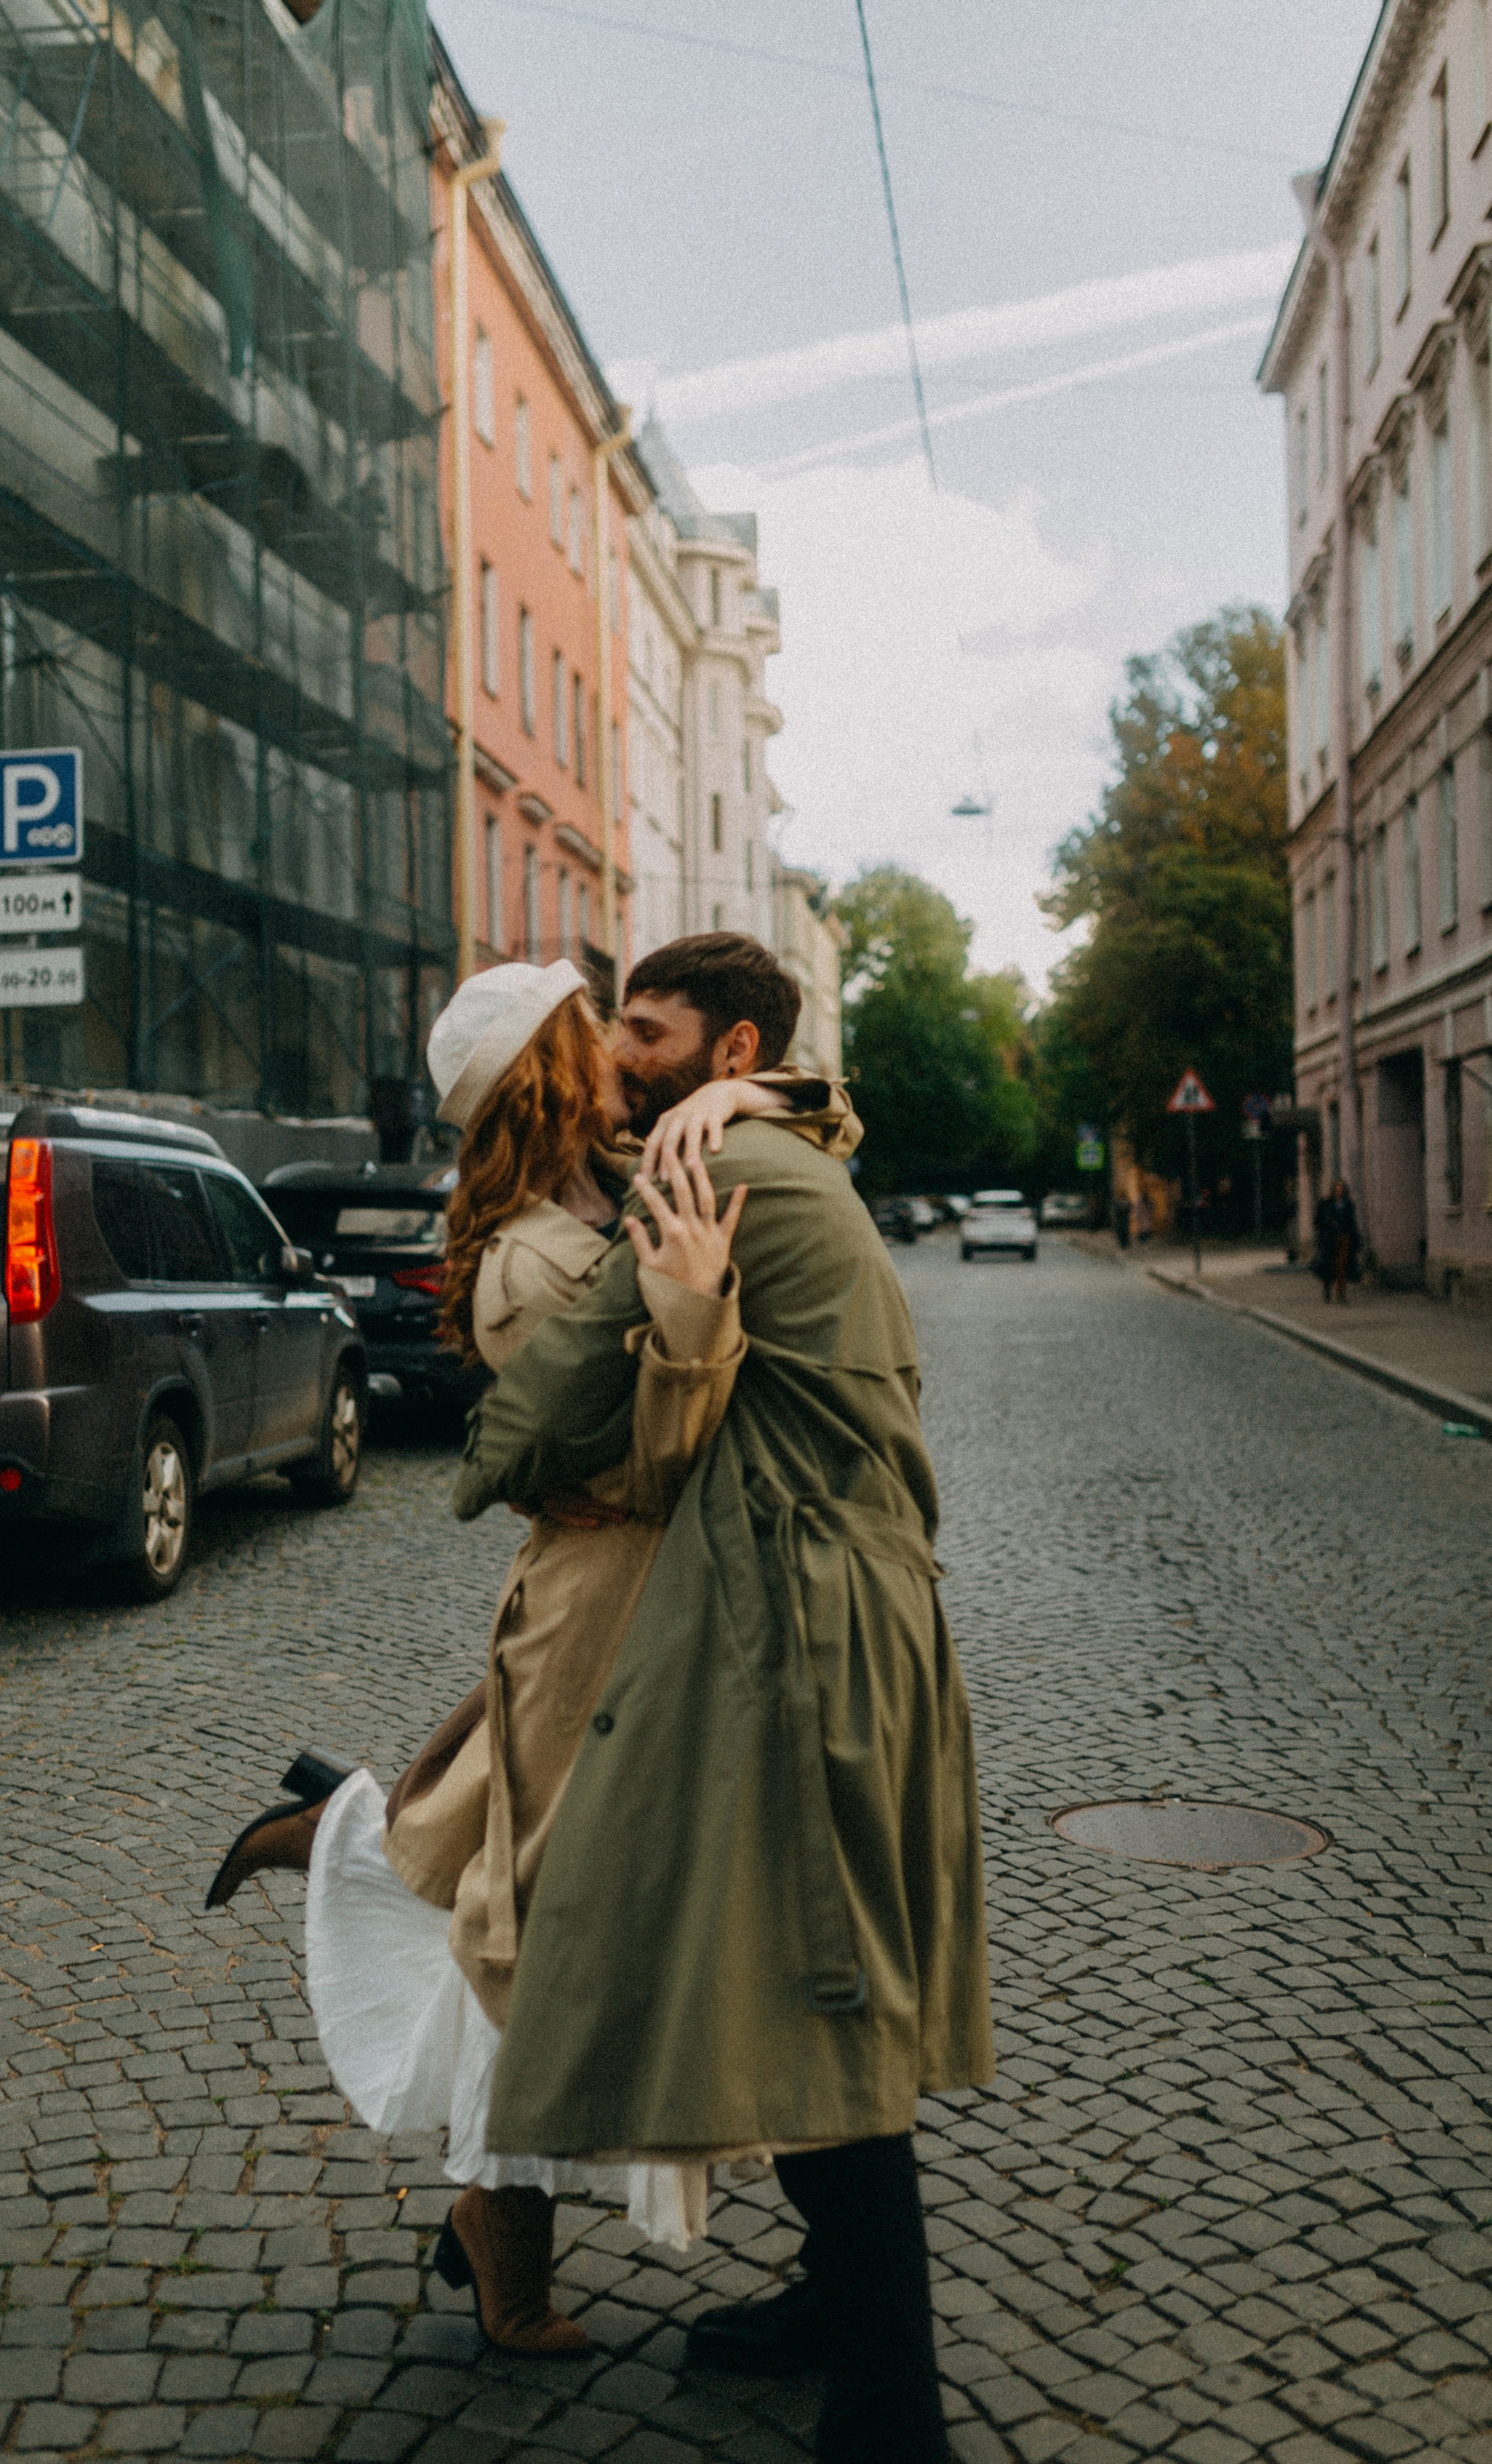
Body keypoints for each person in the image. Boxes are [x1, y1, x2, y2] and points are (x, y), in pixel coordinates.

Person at [205, 949, 858, 2355]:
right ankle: (503, 2247)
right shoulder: (522, 1262)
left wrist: (738, 1093)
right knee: (540, 1940)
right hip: (601, 1623)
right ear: (547, 1071)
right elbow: (642, 1469)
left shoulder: (619, 1179)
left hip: (666, 1611)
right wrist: (693, 1307)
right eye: (596, 1030)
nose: (621, 1049)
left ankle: (355, 1839)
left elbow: (822, 1125)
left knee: (555, 1928)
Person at [452, 932, 995, 2464]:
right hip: (834, 1598)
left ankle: (891, 2416)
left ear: (729, 1049)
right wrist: (764, 1102)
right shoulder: (760, 1139)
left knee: (821, 1987)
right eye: (610, 1029)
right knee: (796, 1971)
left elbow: (543, 1422)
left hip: (806, 1621)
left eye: (647, 1029)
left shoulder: (709, 1173)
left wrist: (492, 1458)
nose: (623, 1054)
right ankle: (834, 2307)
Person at [1314, 1177, 1360, 1302]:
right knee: (1329, 1265)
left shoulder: (1347, 1204)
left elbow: (1352, 1222)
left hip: (1345, 1237)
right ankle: (1327, 1289)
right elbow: (1319, 1221)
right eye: (1337, 1188)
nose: (1339, 1190)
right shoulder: (1326, 1204)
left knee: (1342, 1265)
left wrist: (1355, 1237)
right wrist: (1328, 1226)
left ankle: (1341, 1292)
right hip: (1330, 1239)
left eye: (1341, 1188)